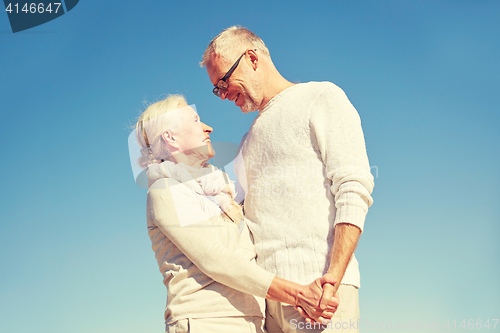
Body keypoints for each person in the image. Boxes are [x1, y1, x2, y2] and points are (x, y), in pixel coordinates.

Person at [201, 26, 374, 333]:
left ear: (252, 58)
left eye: (224, 82)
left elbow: (353, 186)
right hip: (269, 305)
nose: (223, 95)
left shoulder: (321, 97)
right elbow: (231, 217)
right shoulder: (245, 143)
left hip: (321, 296)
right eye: (217, 89)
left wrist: (333, 278)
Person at [134, 95, 339, 333]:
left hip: (248, 321)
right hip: (207, 322)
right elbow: (218, 260)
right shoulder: (166, 190)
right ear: (170, 137)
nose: (207, 127)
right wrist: (299, 294)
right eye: (196, 120)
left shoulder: (220, 189)